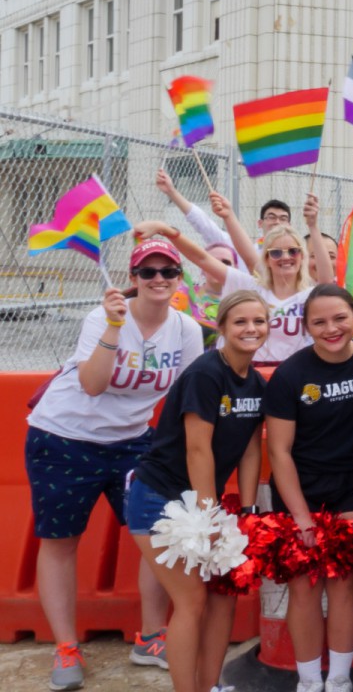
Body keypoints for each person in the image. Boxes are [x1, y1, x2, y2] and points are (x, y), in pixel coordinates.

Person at [25, 239, 204, 691]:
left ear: (179, 279)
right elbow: (91, 383)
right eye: (149, 272)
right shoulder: (103, 317)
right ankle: (65, 646)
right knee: (61, 540)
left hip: (134, 441)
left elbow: (190, 395)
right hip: (64, 436)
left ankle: (152, 636)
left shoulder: (185, 329)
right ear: (135, 279)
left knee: (157, 534)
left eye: (168, 272)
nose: (159, 280)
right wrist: (111, 326)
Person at [123, 290, 269, 692]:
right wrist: (208, 516)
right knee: (192, 602)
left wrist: (250, 511)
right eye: (240, 321)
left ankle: (210, 685)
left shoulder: (255, 381)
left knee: (225, 596)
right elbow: (197, 448)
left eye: (259, 321)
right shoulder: (206, 374)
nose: (251, 329)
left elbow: (252, 448)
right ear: (221, 328)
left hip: (204, 502)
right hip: (161, 498)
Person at [265, 285, 353, 692]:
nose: (331, 329)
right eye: (319, 322)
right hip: (302, 489)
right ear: (306, 326)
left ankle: (340, 678)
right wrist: (300, 518)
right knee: (304, 584)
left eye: (339, 318)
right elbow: (279, 452)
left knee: (344, 580)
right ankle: (310, 680)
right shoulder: (290, 374)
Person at [147, 175, 336, 364]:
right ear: (267, 259)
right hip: (249, 373)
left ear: (301, 256)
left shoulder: (310, 295)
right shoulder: (250, 287)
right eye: (277, 253)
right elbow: (203, 258)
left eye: (293, 251)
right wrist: (168, 231)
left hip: (292, 376)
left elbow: (327, 280)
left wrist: (313, 225)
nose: (286, 257)